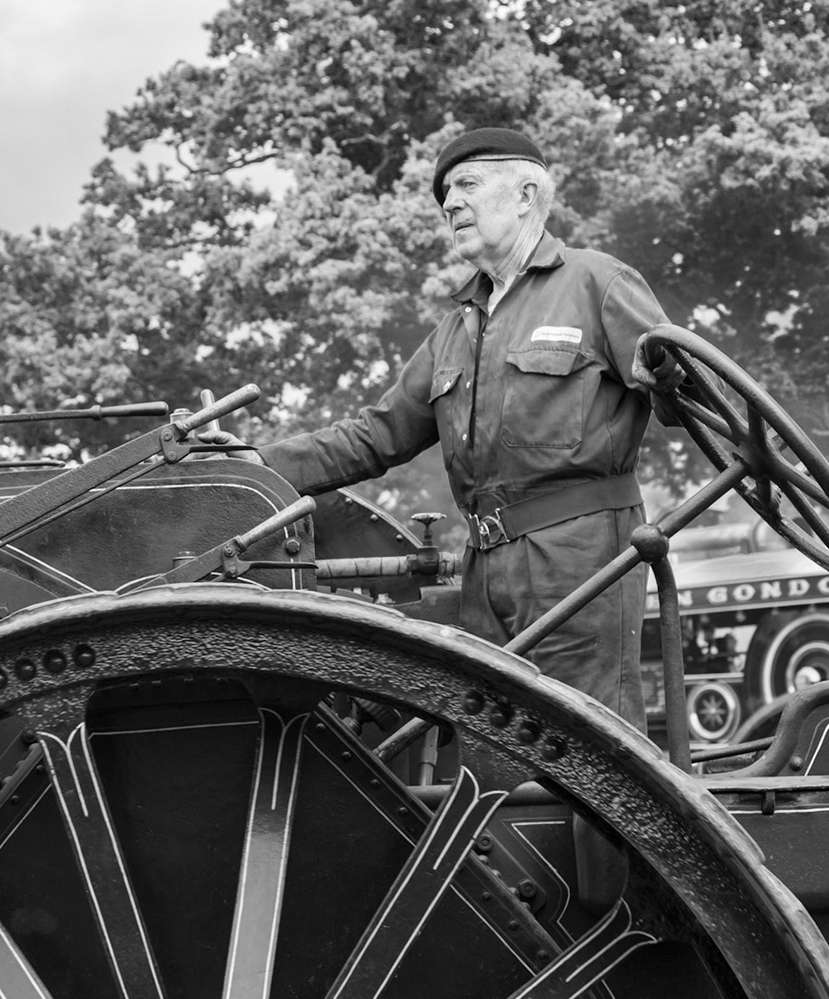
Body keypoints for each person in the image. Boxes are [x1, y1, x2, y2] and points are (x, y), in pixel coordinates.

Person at [238, 127, 675, 727]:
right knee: (498, 754)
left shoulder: (598, 283)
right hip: (484, 564)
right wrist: (249, 466)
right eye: (446, 194)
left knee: (592, 749)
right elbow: (377, 435)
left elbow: (696, 396)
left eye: (467, 185)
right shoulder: (457, 328)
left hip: (582, 557)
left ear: (525, 195)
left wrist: (674, 382)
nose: (450, 204)